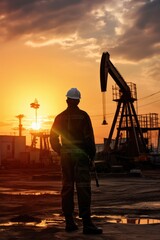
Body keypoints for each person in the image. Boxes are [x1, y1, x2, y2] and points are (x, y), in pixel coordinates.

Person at [50, 88, 102, 234]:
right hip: (81, 156)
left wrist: (60, 151)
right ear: (78, 100)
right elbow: (89, 140)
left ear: (67, 100)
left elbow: (53, 138)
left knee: (67, 188)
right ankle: (87, 224)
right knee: (83, 188)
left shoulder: (59, 117)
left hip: (66, 156)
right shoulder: (83, 116)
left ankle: (69, 222)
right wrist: (91, 156)